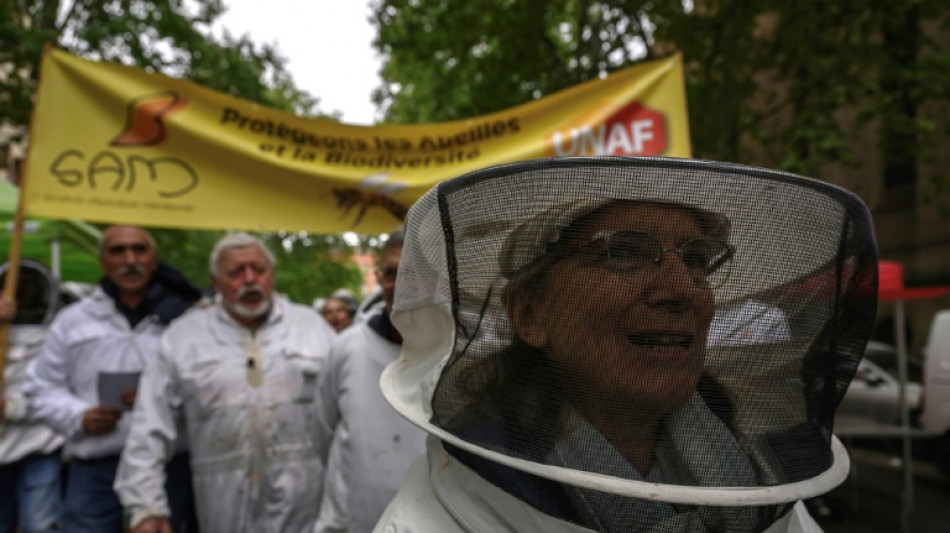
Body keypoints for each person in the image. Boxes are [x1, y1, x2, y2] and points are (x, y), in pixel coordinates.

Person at [372, 157, 879, 532]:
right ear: (530, 315)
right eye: (624, 253)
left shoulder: (758, 482)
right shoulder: (427, 521)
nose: (682, 289)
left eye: (696, 260)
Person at [113, 232, 336, 533]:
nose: (250, 279)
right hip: (222, 507)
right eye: (236, 272)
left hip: (307, 507)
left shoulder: (312, 328)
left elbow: (349, 417)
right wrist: (145, 506)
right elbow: (149, 426)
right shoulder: (183, 338)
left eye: (259, 270)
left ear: (272, 274)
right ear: (215, 282)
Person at [24, 225, 201, 533]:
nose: (130, 260)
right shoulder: (72, 321)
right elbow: (41, 388)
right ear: (103, 262)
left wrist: (161, 398)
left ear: (154, 261)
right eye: (118, 251)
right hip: (94, 467)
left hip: (168, 466)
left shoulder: (188, 321)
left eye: (139, 250)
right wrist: (79, 416)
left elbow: (212, 386)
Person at [313, 228, 426, 533]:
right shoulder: (347, 348)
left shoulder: (456, 355)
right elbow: (322, 432)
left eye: (413, 274)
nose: (400, 286)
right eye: (391, 274)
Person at [0, 261, 64, 533]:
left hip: (40, 445)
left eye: (26, 286)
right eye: (14, 285)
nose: (20, 292)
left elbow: (56, 395)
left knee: (39, 525)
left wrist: (10, 407)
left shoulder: (56, 338)